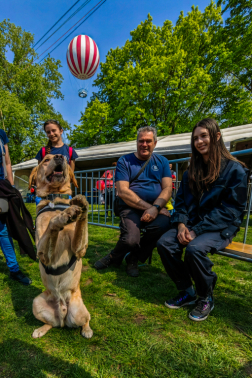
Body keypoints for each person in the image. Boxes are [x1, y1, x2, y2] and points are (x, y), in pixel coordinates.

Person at [157, 118, 248, 322]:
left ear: (216, 136)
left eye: (204, 136)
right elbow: (180, 202)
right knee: (165, 243)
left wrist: (196, 230)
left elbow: (231, 210)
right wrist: (181, 224)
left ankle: (205, 296)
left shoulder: (235, 170)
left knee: (195, 249)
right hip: (193, 224)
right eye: (196, 138)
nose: (199, 142)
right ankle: (187, 291)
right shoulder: (191, 172)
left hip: (221, 226)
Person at [94, 126, 172, 277]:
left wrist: (156, 208)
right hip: (130, 207)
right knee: (130, 240)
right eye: (141, 141)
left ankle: (133, 258)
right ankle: (113, 257)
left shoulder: (162, 161)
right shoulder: (124, 161)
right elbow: (123, 191)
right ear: (136, 142)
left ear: (155, 143)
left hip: (155, 207)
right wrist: (152, 208)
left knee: (164, 225)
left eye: (148, 141)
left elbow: (167, 189)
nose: (144, 144)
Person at [0, 129, 32, 285]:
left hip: (1, 186)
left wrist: (11, 187)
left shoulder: (1, 134)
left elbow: (7, 162)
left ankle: (14, 269)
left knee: (3, 229)